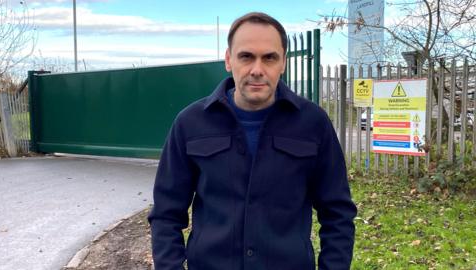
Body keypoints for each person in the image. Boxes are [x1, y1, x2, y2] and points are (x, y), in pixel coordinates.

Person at [148, 12, 357, 270]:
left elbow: (338, 214)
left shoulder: (313, 124)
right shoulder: (190, 124)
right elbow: (166, 214)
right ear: (228, 60)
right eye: (246, 56)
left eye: (269, 58)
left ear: (283, 63)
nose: (257, 70)